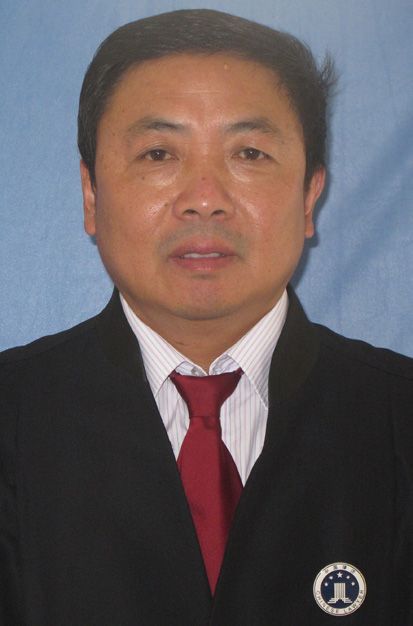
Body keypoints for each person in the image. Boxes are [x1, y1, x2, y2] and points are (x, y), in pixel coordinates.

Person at [1, 9, 412, 625]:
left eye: (249, 152)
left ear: (309, 197)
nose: (204, 199)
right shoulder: (13, 417)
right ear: (91, 194)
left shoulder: (398, 418)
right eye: (158, 153)